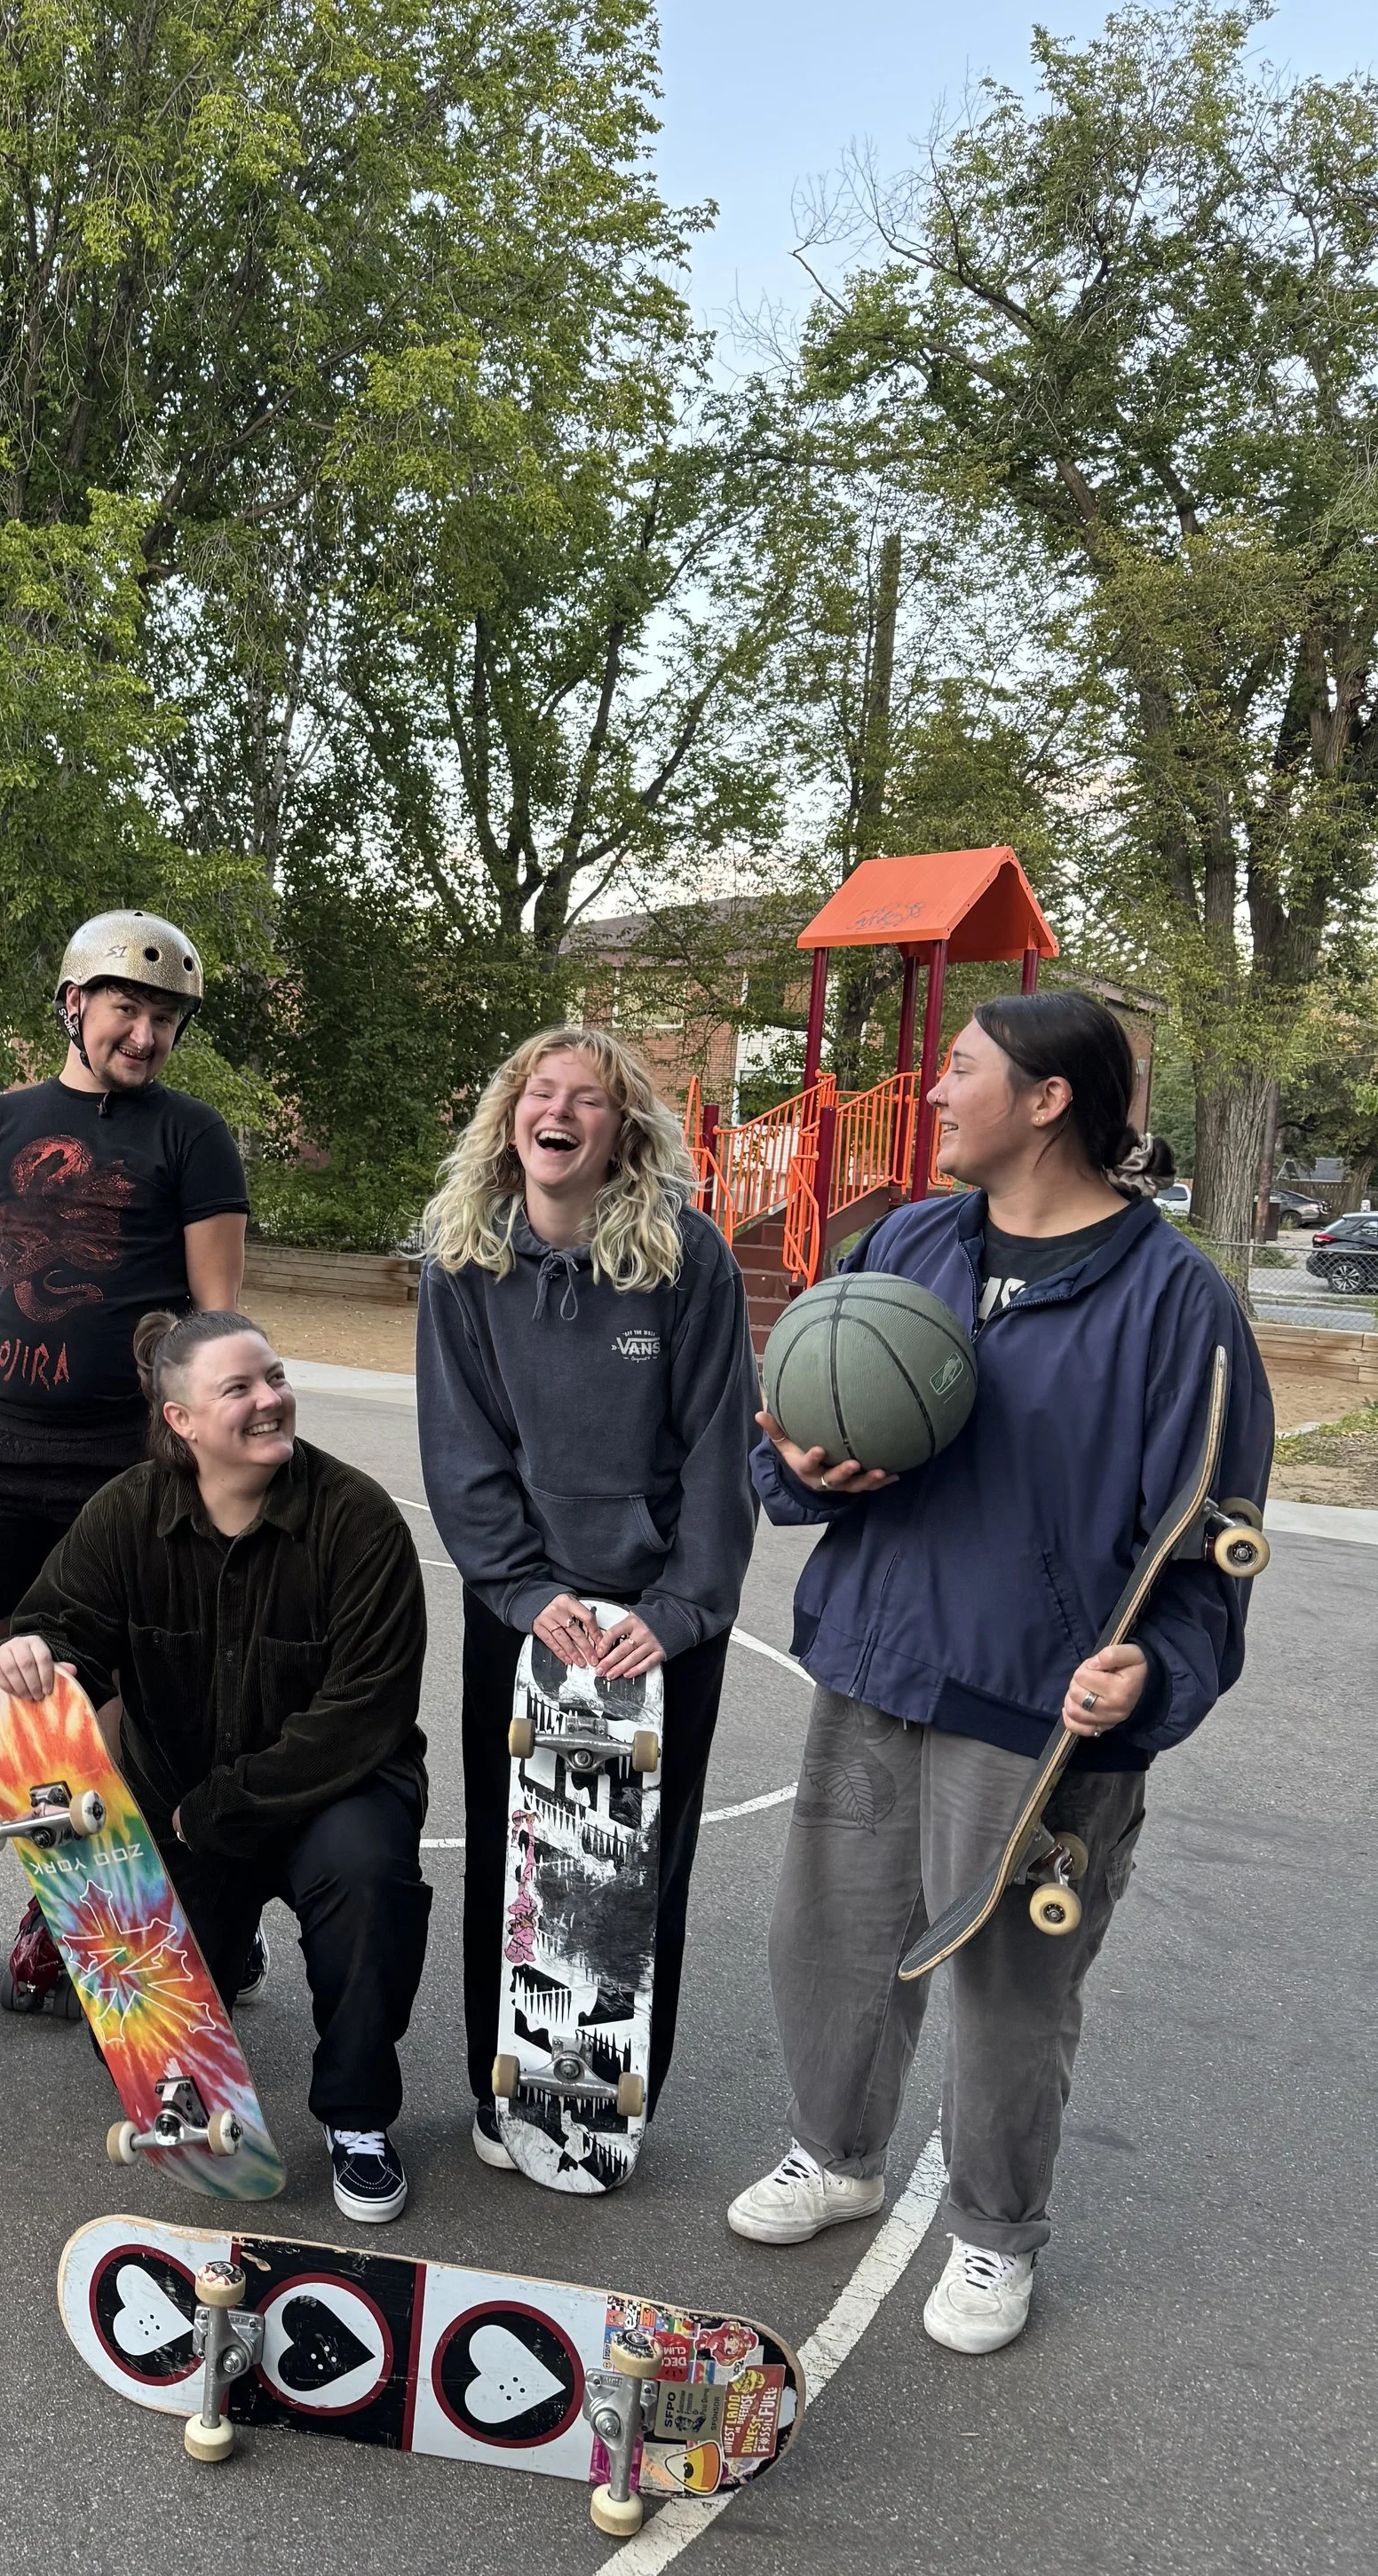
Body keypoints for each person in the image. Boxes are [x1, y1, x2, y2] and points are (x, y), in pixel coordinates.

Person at [730, 991, 1272, 2353]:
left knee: (1013, 1991)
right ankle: (838, 2152)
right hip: (874, 1663)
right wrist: (795, 1467)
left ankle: (992, 2230)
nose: (930, 1093)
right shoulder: (909, 1237)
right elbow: (795, 1422)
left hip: (1037, 1715)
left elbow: (1211, 1549)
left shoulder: (1176, 1303)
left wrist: (1155, 1669)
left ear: (1047, 1100)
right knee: (832, 1941)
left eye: (958, 1070)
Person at [0, 912, 251, 2017]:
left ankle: (69, 1877)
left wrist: (196, 1446)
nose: (145, 1033)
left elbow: (215, 1311)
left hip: (114, 1454)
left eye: (164, 1017)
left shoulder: (192, 1136)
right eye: (127, 1008)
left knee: (99, 1681)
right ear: (74, 1006)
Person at [0, 1309, 433, 2221]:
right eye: (240, 1389)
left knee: (363, 1882)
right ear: (182, 1419)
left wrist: (216, 1809)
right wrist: (34, 1654)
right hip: (185, 1800)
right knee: (140, 2043)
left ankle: (355, 2120)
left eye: (274, 1377)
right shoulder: (129, 1513)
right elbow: (61, 1622)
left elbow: (364, 1711)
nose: (272, 1400)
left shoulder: (357, 1522)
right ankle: (226, 1946)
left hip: (331, 1794)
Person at [416, 1023, 761, 2173]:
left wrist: (677, 1609)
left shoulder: (688, 1258)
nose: (556, 1110)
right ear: (510, 1117)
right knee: (516, 1859)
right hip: (524, 1616)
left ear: (623, 1132)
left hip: (656, 1621)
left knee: (634, 1871)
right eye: (537, 1091)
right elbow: (461, 1445)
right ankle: (500, 2086)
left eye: (588, 1098)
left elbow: (719, 1450)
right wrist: (520, 1588)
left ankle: (606, 2099)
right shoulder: (465, 1260)